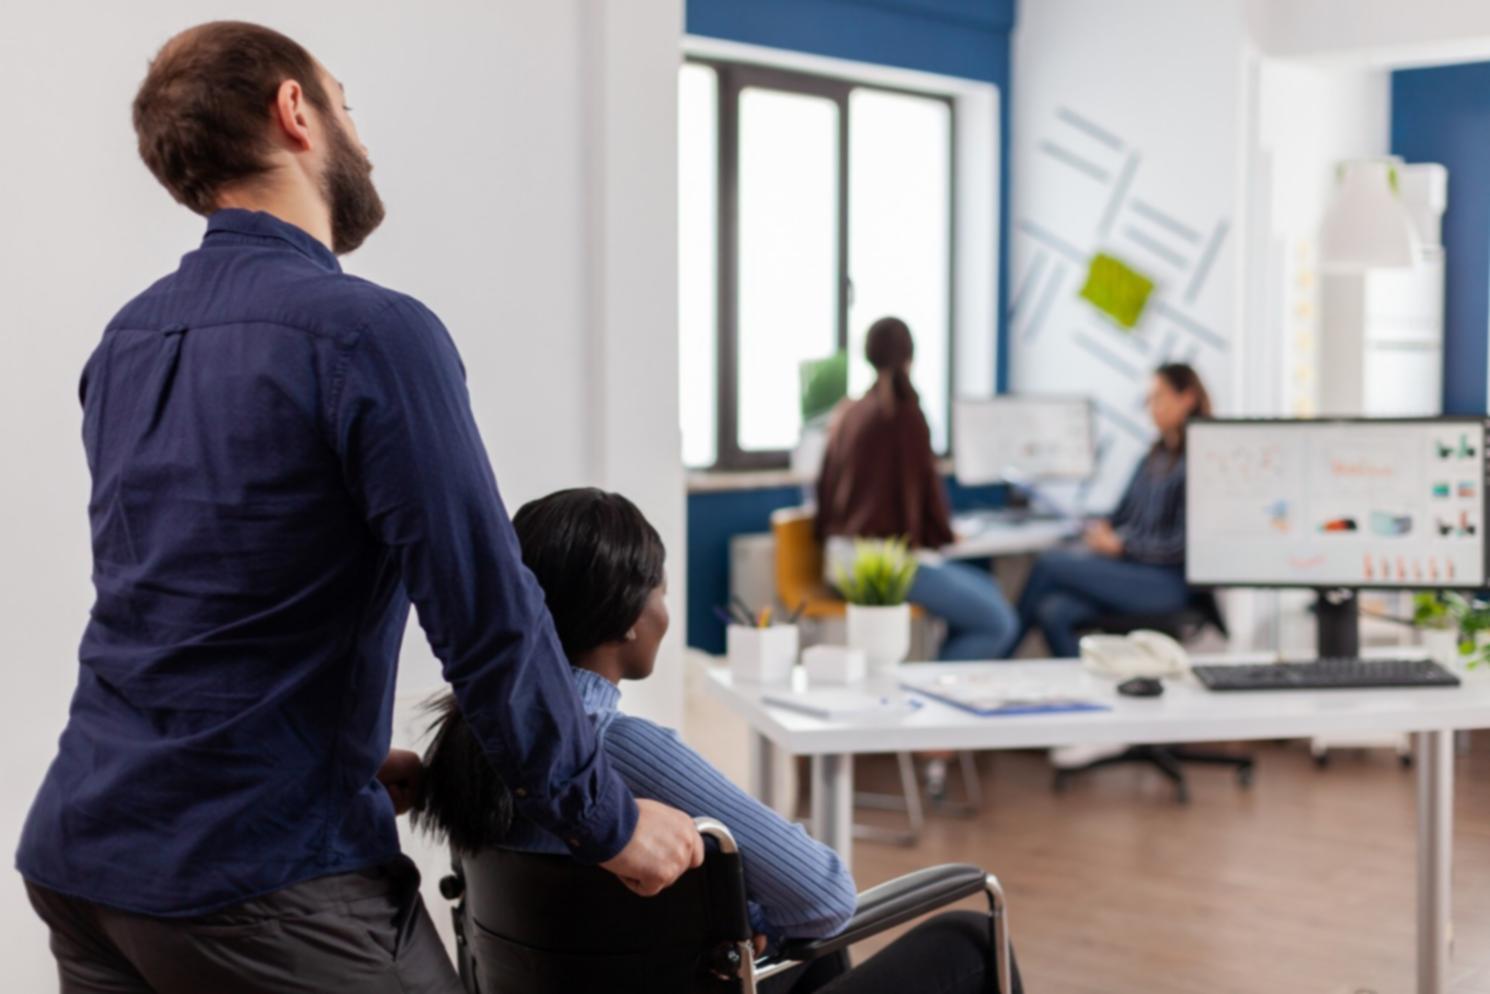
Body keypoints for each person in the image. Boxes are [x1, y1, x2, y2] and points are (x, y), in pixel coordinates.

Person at [16, 22, 701, 994]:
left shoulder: (128, 338)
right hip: (259, 880)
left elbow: (177, 600)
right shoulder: (370, 334)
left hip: (86, 862)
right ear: (295, 110)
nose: (362, 140)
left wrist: (330, 743)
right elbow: (485, 611)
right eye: (345, 102)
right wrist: (608, 819)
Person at [418, 488, 1023, 994]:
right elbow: (825, 897)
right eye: (659, 591)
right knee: (968, 934)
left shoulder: (471, 739)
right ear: (627, 616)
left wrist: (753, 920)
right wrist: (760, 917)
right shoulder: (619, 749)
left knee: (813, 953)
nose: (663, 610)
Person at [816, 317, 1020, 661]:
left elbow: (825, 493)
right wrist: (944, 534)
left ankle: (946, 681)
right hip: (881, 564)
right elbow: (924, 497)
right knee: (998, 622)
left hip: (842, 559)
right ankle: (938, 689)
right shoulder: (905, 417)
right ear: (910, 358)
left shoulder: (848, 412)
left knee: (989, 590)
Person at [1015, 363, 1211, 658]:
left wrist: (1123, 547)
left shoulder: (1200, 459)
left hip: (1167, 583)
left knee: (1049, 564)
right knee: (1054, 611)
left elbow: (1184, 545)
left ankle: (997, 651)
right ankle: (1086, 697)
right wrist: (1102, 528)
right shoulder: (1154, 456)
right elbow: (1121, 513)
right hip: (1134, 570)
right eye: (1148, 399)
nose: (1150, 407)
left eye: (1158, 397)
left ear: (1188, 398)